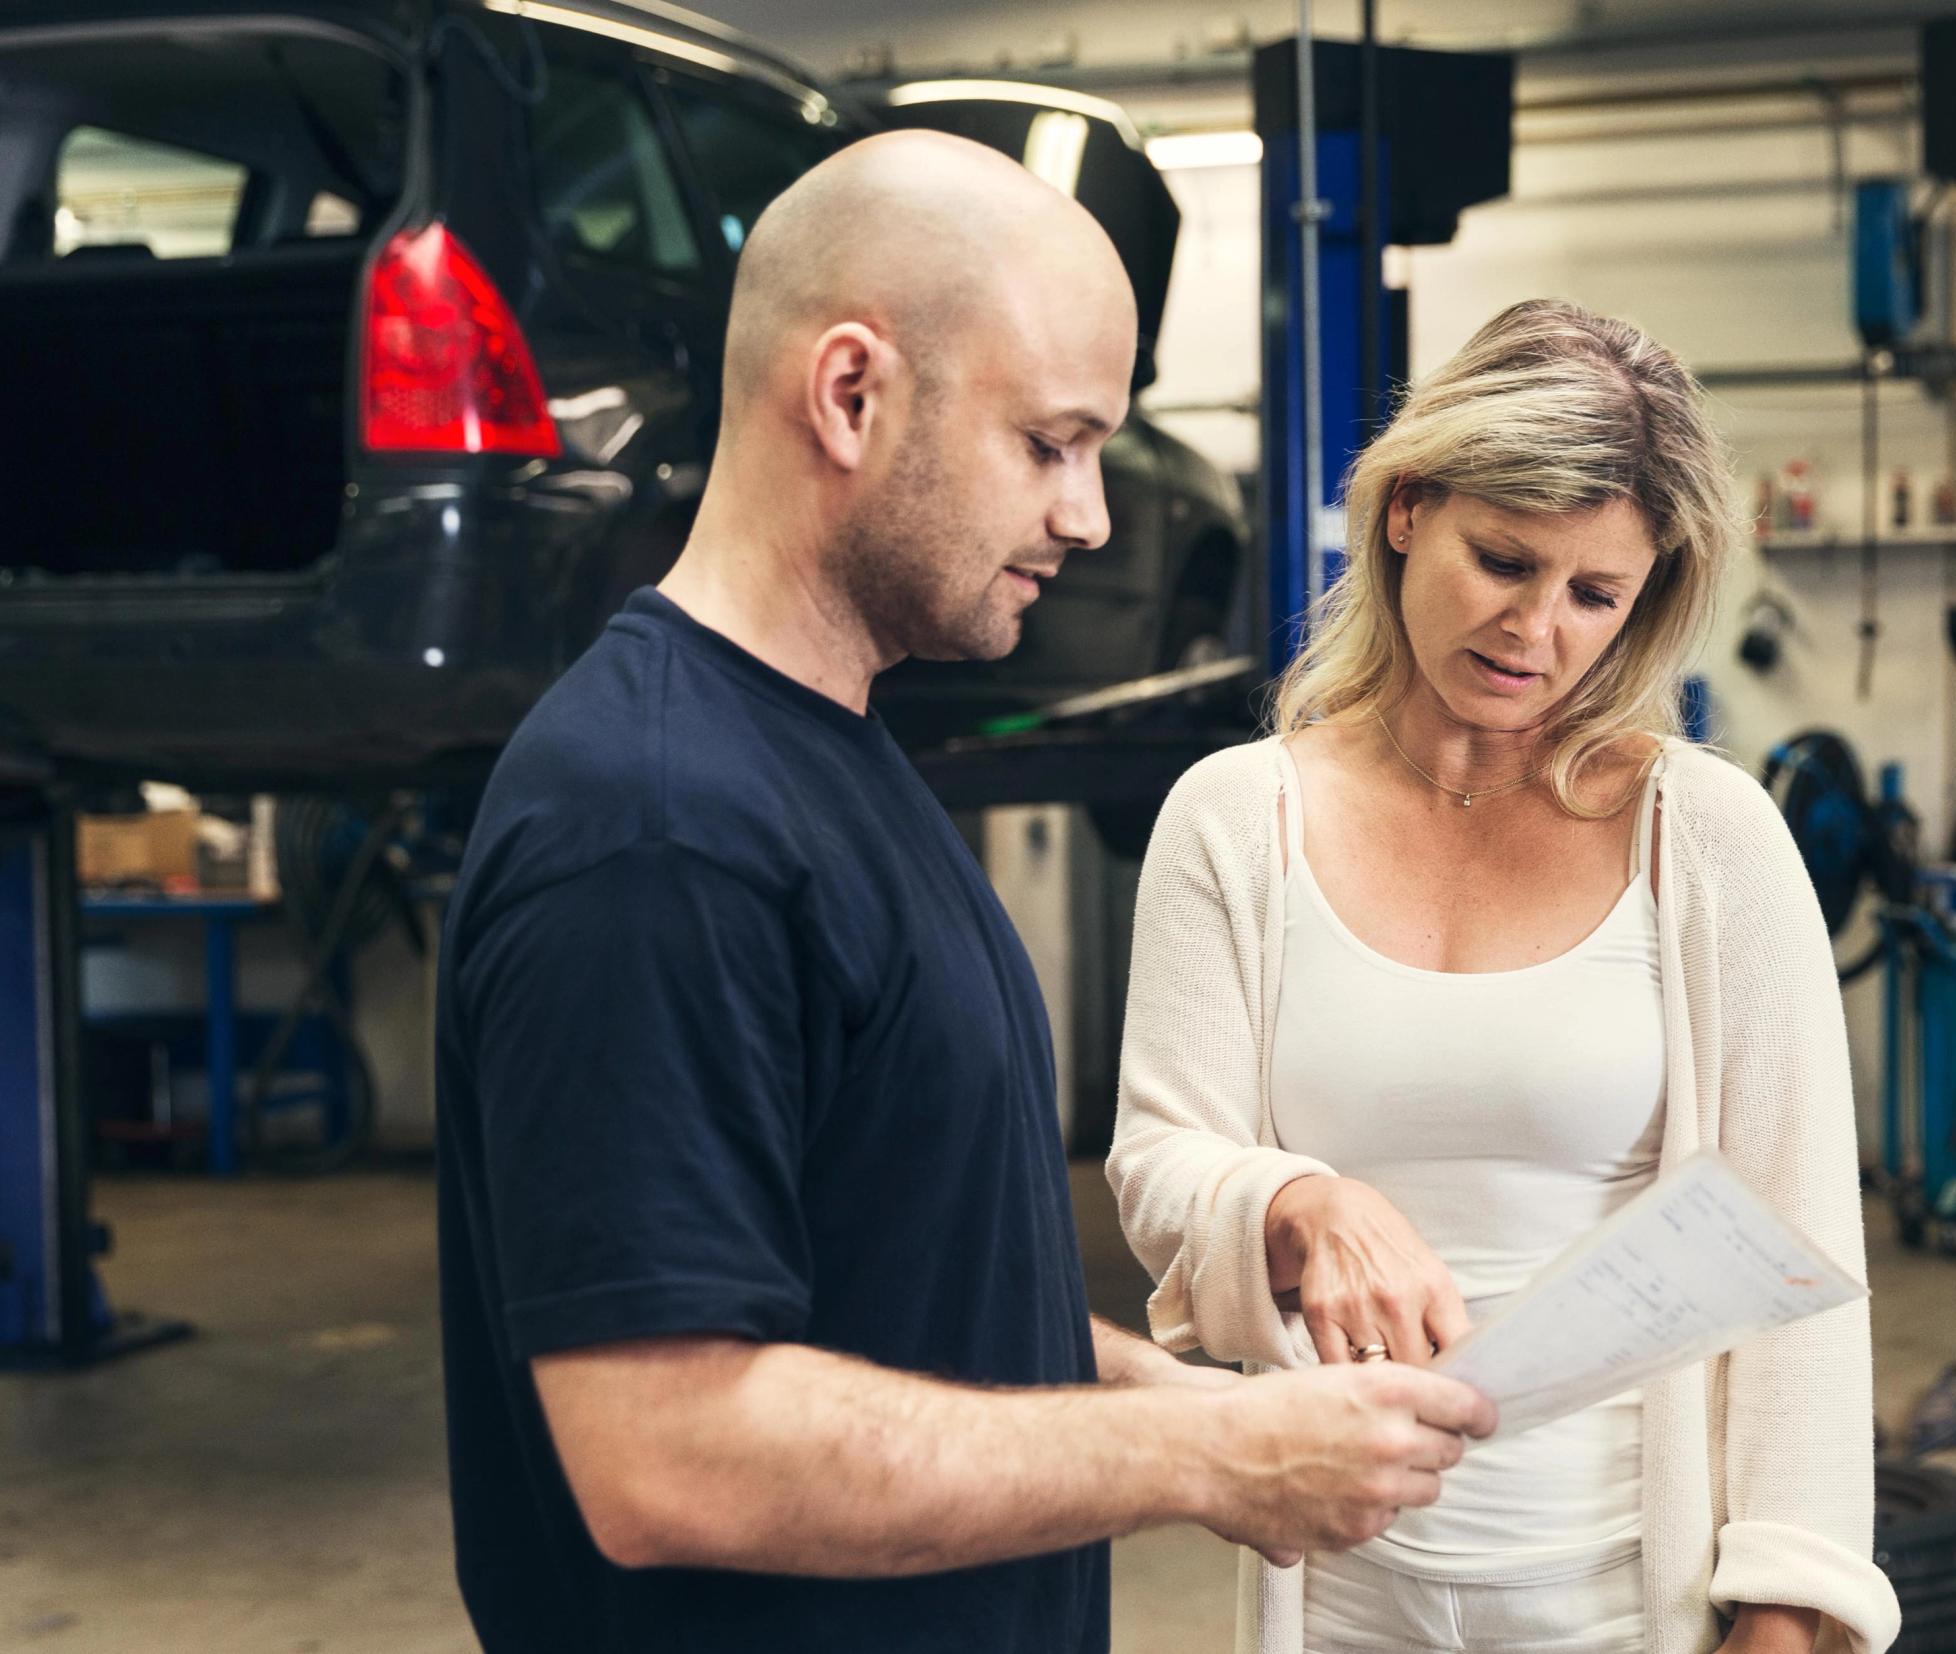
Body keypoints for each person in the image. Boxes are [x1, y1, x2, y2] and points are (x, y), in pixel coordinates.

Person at [432, 130, 1496, 1654]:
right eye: (1050, 444)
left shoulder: (835, 754)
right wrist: (1209, 1455)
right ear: (850, 394)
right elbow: (667, 1451)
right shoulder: (656, 830)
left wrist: (1204, 1403)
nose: (1092, 518)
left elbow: (914, 1292)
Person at [1107, 299, 1901, 1654]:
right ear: (1408, 505)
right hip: (1338, 1587)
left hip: (1623, 1595)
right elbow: (1155, 1159)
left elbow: (1797, 1241)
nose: (1536, 628)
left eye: (1595, 593)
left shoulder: (1702, 838)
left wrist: (1789, 1602)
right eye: (1503, 559)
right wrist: (1294, 1199)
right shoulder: (1237, 818)